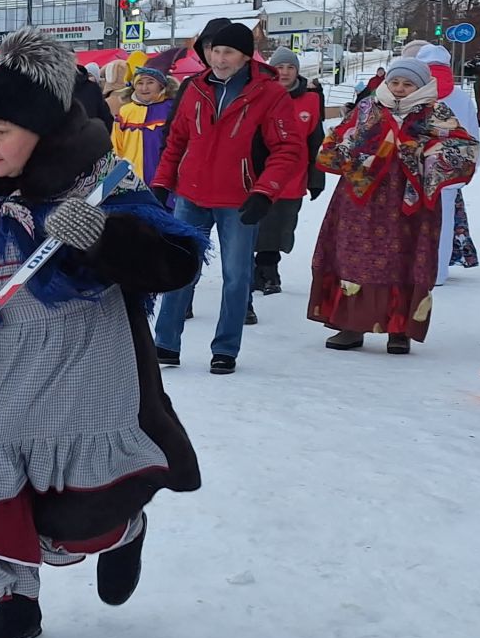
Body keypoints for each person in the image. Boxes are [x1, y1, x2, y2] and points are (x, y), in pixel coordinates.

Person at [0, 28, 203, 638]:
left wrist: (103, 237)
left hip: (82, 368)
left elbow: (176, 265)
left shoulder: (103, 178)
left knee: (76, 516)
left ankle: (123, 533)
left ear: (39, 128)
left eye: (1, 130)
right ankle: (14, 605)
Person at [150, 20, 306, 374]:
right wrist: (162, 183)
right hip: (191, 195)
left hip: (239, 199)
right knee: (179, 269)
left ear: (245, 55)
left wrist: (265, 192)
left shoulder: (269, 93)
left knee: (236, 277)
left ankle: (225, 349)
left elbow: (287, 149)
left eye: (228, 52)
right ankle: (165, 342)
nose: (219, 59)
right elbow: (176, 141)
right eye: (214, 51)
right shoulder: (195, 87)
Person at [309, 58, 477, 354]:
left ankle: (400, 329)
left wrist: (418, 151)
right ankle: (350, 324)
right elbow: (335, 144)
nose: (400, 89)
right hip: (362, 201)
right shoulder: (367, 109)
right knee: (354, 256)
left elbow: (463, 150)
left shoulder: (436, 113)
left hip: (410, 204)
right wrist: (365, 152)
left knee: (406, 260)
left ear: (422, 86)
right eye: (395, 82)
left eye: (408, 84)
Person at [252, 48, 327, 299]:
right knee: (259, 224)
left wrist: (317, 178)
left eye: (290, 68)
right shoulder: (259, 94)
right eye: (280, 67)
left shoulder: (310, 100)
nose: (284, 72)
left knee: (283, 225)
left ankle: (268, 267)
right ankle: (263, 271)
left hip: (293, 176)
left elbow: (316, 142)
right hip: (260, 173)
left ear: (297, 71)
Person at [414, 45, 480, 283]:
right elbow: (473, 132)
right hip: (452, 170)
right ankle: (438, 271)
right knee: (444, 219)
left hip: (418, 167)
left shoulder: (415, 93)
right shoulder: (462, 97)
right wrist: (470, 166)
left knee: (416, 219)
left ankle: (415, 268)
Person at [110, 63, 175, 186]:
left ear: (161, 86)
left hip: (164, 178)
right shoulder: (125, 111)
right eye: (140, 83)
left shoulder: (171, 109)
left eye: (150, 82)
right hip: (131, 180)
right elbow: (116, 147)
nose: (144, 88)